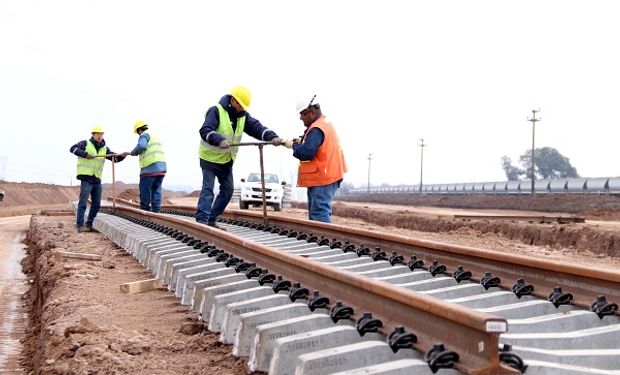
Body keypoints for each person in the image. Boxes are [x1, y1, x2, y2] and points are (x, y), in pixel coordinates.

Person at [197, 86, 284, 228]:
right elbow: (205, 130)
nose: (243, 109)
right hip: (209, 159)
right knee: (208, 190)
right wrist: (218, 140)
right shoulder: (216, 110)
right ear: (233, 101)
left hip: (226, 160)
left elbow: (257, 128)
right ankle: (201, 223)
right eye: (241, 106)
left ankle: (211, 219)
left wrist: (272, 137)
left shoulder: (242, 116)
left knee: (228, 190)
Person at [291, 95, 347, 223]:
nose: (300, 118)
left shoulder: (317, 128)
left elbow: (306, 153)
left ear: (311, 112)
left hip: (323, 177)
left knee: (319, 213)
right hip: (325, 175)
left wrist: (295, 146)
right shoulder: (323, 124)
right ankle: (318, 240)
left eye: (302, 114)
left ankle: (323, 241)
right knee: (316, 214)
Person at [70, 125, 126, 232]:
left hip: (96, 179)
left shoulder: (105, 148)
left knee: (96, 204)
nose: (100, 136)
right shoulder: (85, 143)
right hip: (86, 177)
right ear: (93, 135)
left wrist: (122, 155)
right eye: (97, 134)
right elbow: (72, 149)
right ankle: (79, 225)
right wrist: (85, 154)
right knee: (83, 202)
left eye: (101, 134)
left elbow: (115, 159)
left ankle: (89, 224)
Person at [125, 120, 167, 213]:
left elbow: (141, 146)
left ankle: (144, 212)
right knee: (156, 190)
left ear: (139, 130)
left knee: (145, 190)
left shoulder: (144, 135)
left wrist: (132, 153)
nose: (138, 134)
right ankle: (156, 212)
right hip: (161, 168)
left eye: (137, 132)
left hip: (149, 168)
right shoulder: (154, 136)